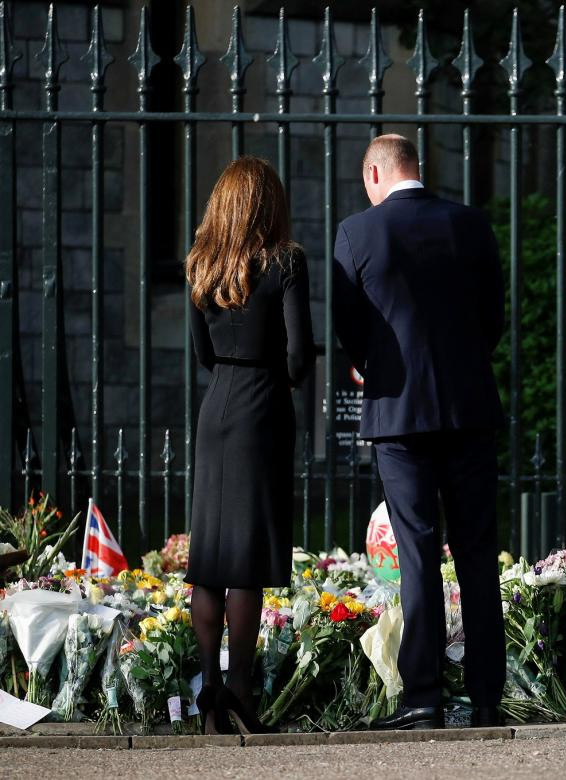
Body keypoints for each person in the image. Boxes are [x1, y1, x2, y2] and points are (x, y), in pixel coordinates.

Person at [333, 134, 506, 731]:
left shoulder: (357, 232)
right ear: (416, 169)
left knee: (417, 552)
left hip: (399, 412)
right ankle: (487, 694)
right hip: (469, 408)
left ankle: (424, 696)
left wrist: (377, 367)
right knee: (479, 553)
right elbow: (493, 317)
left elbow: (349, 326)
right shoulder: (470, 223)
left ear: (373, 175)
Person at [186, 156, 315, 735]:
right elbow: (298, 357)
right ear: (269, 205)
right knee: (248, 561)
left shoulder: (202, 265)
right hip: (262, 407)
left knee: (209, 561)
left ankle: (209, 695)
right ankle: (240, 691)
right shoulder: (286, 262)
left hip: (216, 406)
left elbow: (202, 355)